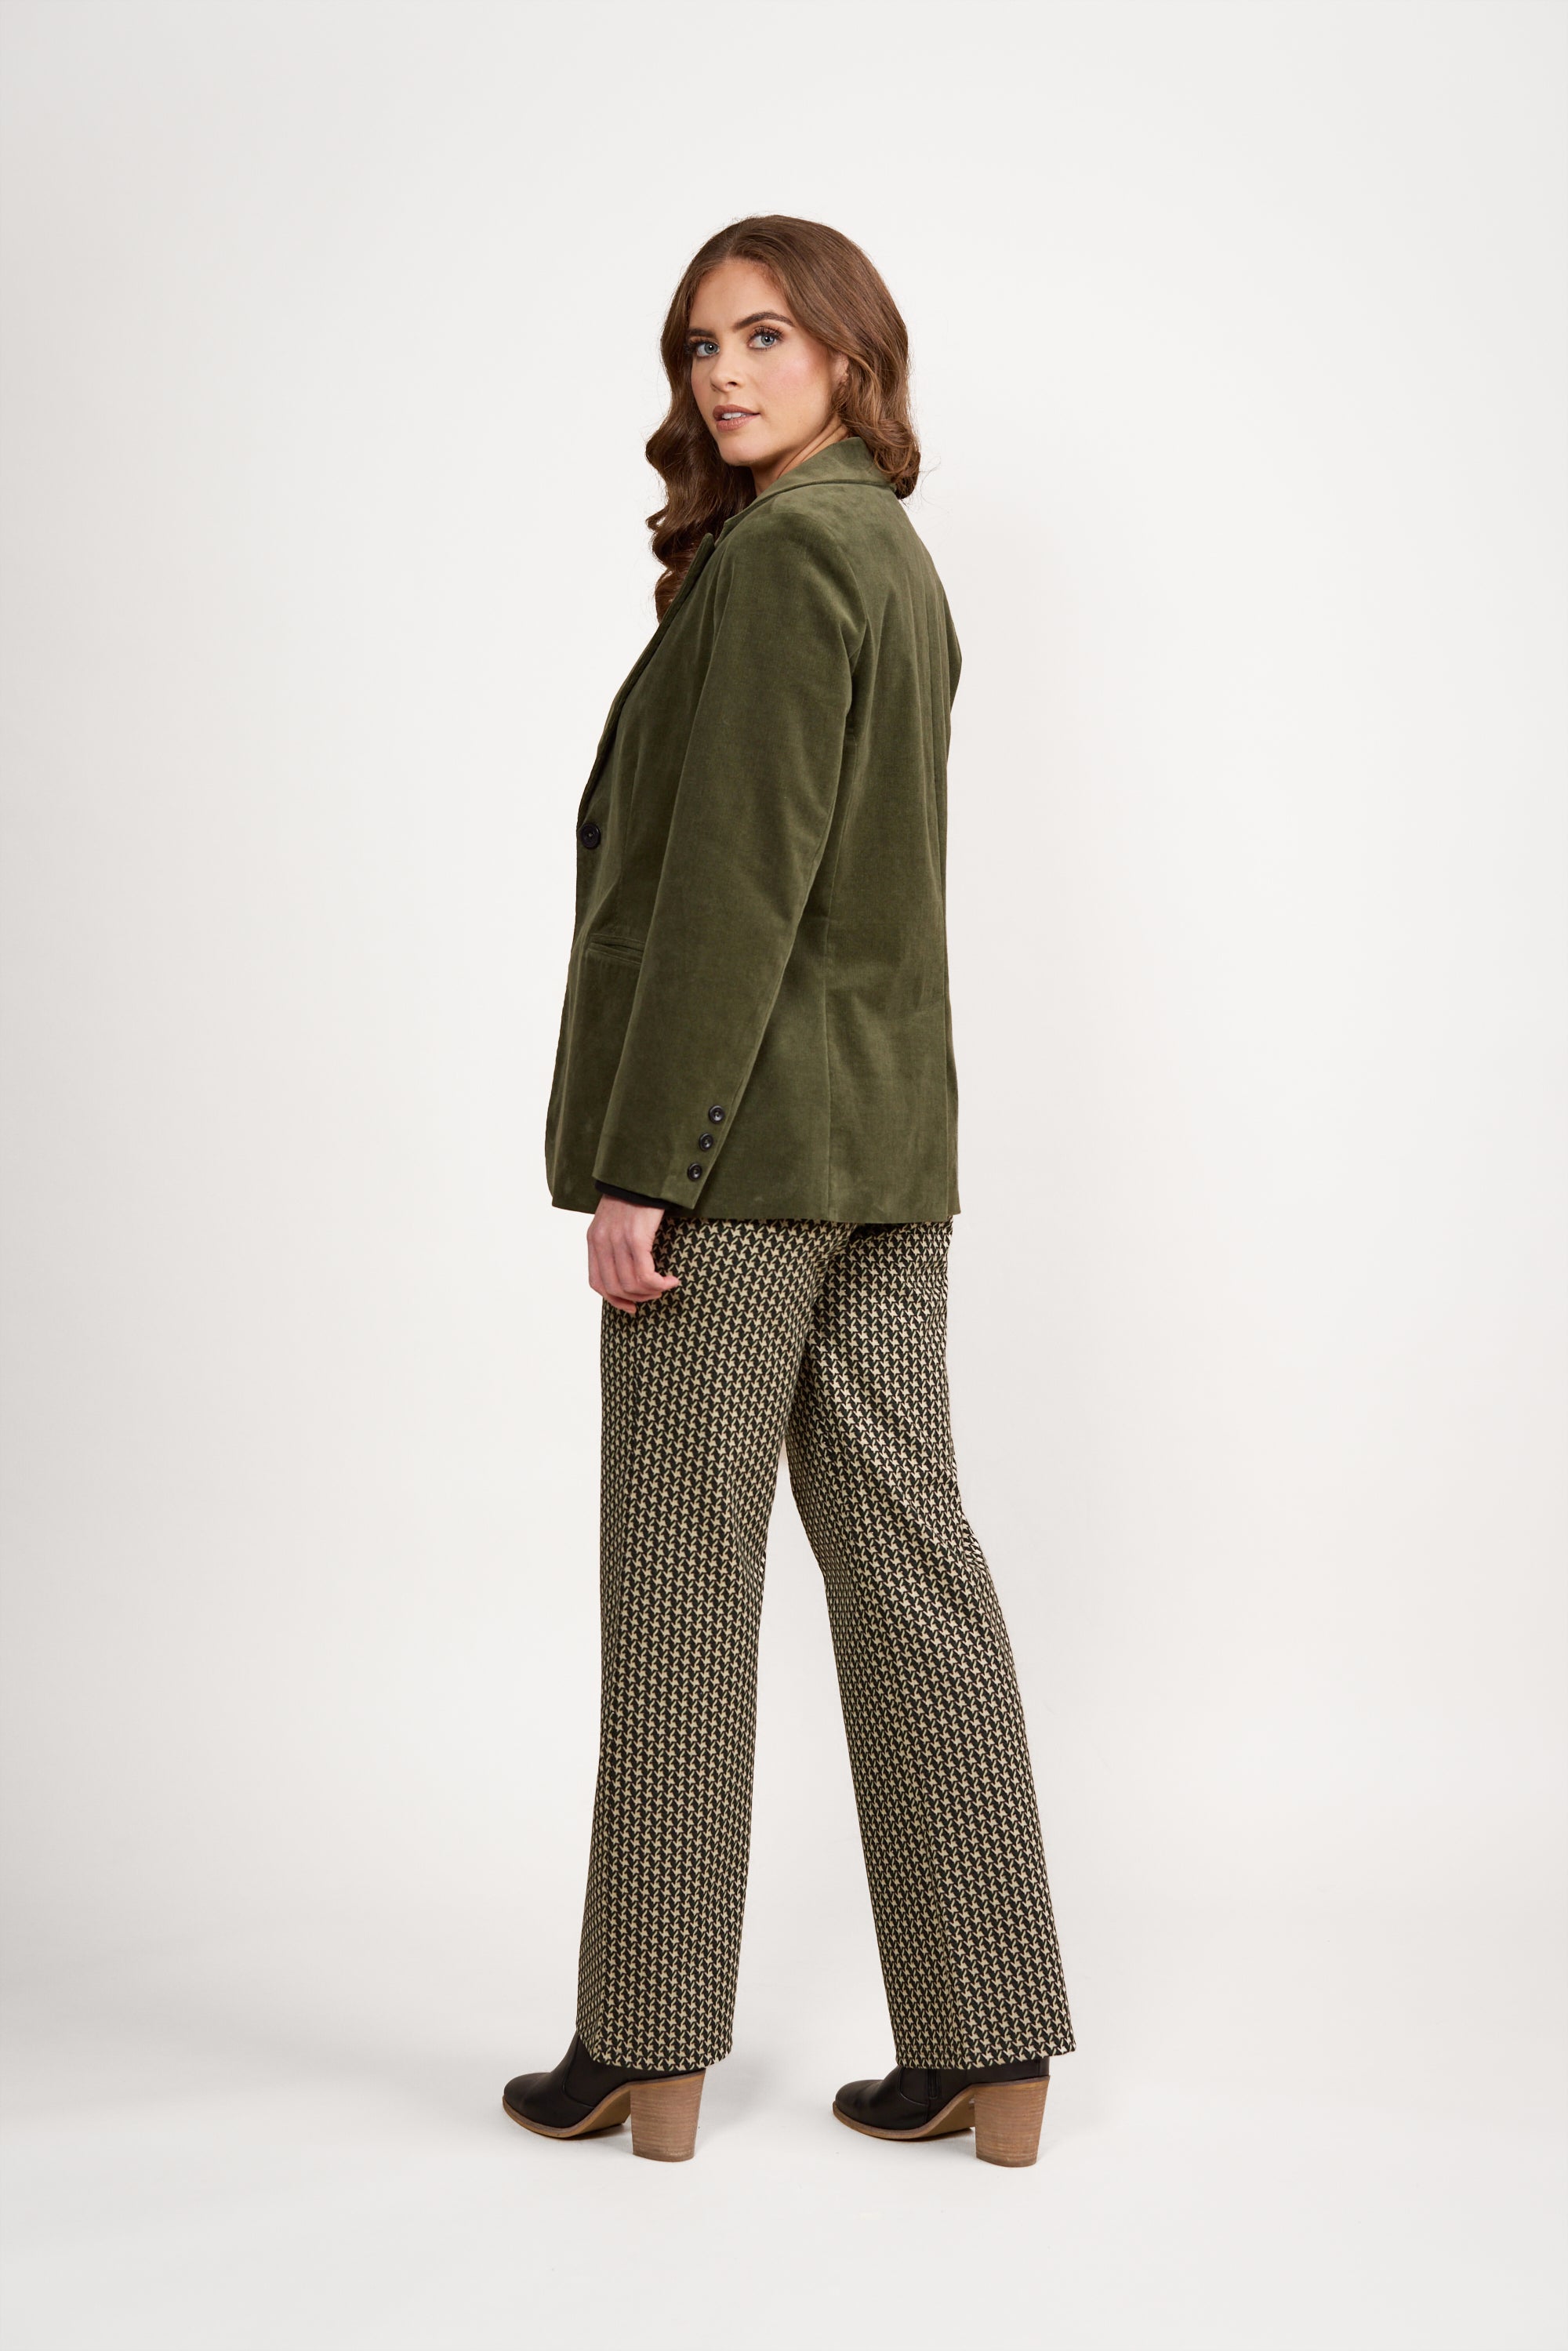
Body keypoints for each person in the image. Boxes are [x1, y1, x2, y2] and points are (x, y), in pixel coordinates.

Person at [502, 215, 1074, 2167]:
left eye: (763, 336)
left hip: (741, 1157)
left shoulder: (778, 564)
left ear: (847, 354)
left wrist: (642, 1170)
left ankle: (644, 2039)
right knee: (913, 1571)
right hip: (886, 1142)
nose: (723, 375)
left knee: (680, 1585)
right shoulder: (891, 557)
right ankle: (992, 2039)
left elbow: (736, 893)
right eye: (697, 347)